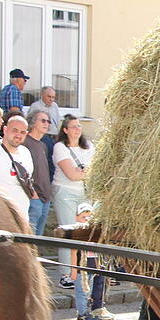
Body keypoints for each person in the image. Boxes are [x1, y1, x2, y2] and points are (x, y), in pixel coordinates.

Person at [53, 114, 94, 289]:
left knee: (84, 233)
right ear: (65, 130)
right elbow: (71, 174)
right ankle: (66, 274)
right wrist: (84, 172)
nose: (77, 129)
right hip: (66, 193)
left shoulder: (88, 146)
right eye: (73, 126)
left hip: (85, 193)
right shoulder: (60, 147)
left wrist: (81, 172)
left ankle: (82, 271)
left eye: (79, 126)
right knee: (68, 232)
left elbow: (95, 170)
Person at [70, 203, 114, 320]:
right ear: (76, 217)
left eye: (89, 217)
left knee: (99, 286)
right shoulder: (77, 232)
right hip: (82, 265)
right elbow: (73, 252)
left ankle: (97, 308)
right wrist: (73, 270)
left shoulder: (95, 231)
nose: (86, 219)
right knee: (83, 290)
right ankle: (82, 314)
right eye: (83, 217)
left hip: (96, 263)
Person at [23, 110, 55, 235]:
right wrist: (33, 193)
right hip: (33, 197)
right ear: (32, 122)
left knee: (39, 238)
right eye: (43, 120)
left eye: (48, 121)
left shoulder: (43, 145)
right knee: (30, 237)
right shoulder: (25, 142)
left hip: (45, 197)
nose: (46, 123)